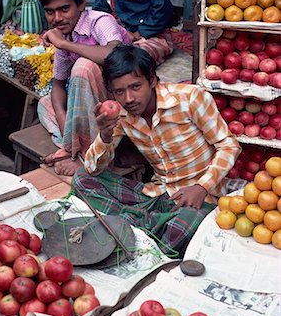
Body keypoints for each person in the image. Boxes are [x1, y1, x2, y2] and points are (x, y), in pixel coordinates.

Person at [72, 44, 241, 256]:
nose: (129, 99)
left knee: (189, 222)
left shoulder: (190, 98)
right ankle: (146, 227)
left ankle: (131, 226)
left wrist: (202, 187)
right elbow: (91, 169)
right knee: (81, 179)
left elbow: (228, 145)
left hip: (196, 201)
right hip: (157, 196)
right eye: (119, 92)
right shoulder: (121, 115)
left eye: (135, 86)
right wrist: (104, 136)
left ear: (152, 80)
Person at [36, 0, 131, 176]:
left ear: (81, 3)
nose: (57, 18)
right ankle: (73, 149)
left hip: (121, 105)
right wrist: (65, 124)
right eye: (50, 11)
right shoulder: (65, 34)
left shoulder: (99, 21)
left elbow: (115, 53)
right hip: (91, 107)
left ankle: (88, 157)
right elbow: (58, 85)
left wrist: (63, 44)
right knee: (45, 104)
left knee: (82, 67)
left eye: (64, 9)